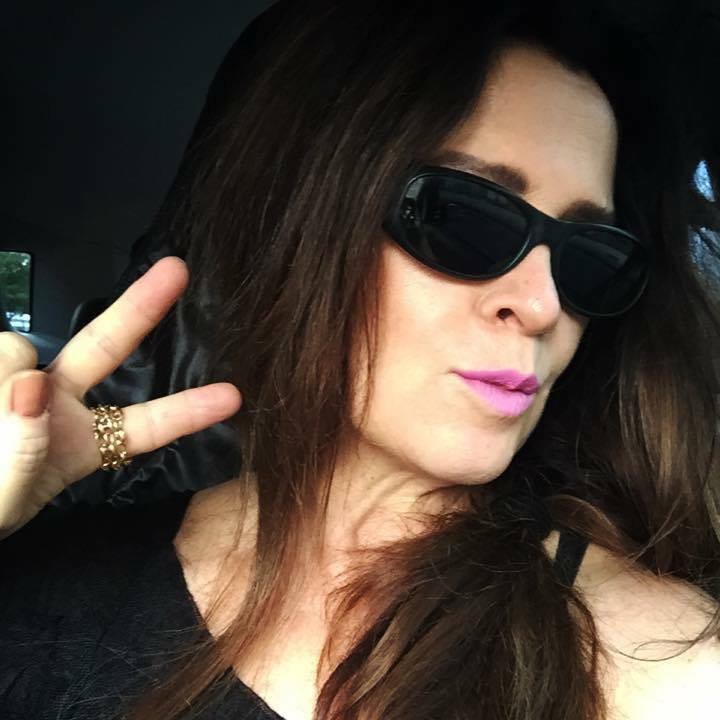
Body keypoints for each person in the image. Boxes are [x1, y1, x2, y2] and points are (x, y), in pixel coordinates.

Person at [1, 1, 720, 719]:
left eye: (591, 259)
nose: (542, 305)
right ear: (296, 229)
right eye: (466, 216)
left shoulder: (661, 664)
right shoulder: (52, 591)